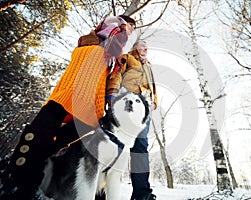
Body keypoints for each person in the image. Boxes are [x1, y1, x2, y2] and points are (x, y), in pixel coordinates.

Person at [0, 15, 136, 200]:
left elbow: (113, 81)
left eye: (131, 29)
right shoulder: (100, 36)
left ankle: (24, 179)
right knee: (41, 131)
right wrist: (119, 26)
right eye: (130, 26)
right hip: (68, 89)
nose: (129, 30)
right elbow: (110, 27)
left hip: (91, 97)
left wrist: (112, 100)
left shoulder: (117, 54)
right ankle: (15, 182)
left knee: (62, 141)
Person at [106, 40, 158, 200]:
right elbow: (116, 74)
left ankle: (142, 193)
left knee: (141, 148)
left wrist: (154, 103)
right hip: (125, 104)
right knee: (114, 144)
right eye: (142, 46)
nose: (146, 48)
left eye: (147, 47)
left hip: (143, 109)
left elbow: (153, 87)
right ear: (135, 47)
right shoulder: (127, 58)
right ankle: (100, 189)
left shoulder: (148, 65)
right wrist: (112, 94)